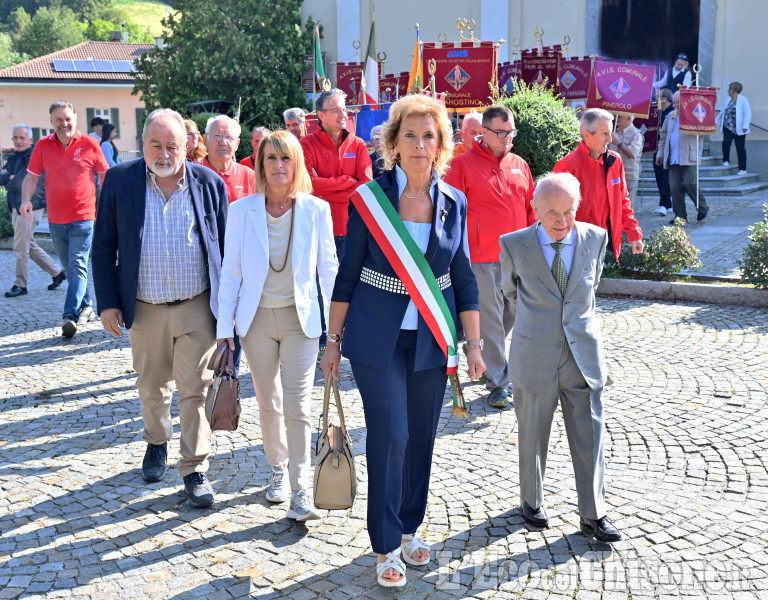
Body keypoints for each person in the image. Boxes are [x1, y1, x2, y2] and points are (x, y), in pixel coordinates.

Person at [320, 94, 485, 588]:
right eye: (409, 135)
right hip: (378, 341)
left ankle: (411, 527)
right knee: (390, 436)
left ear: (441, 145)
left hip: (432, 340)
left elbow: (465, 278)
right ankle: (386, 544)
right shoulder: (370, 200)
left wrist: (474, 345)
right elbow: (346, 277)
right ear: (393, 143)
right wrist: (332, 340)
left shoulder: (453, 203)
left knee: (420, 439)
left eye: (428, 136)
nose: (419, 144)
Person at [92, 108, 228, 508]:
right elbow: (103, 247)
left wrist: (231, 308)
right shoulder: (120, 181)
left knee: (196, 388)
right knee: (152, 386)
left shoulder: (209, 183)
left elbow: (225, 249)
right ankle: (156, 443)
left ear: (187, 145)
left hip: (197, 305)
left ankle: (195, 466)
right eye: (156, 144)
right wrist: (108, 304)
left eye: (173, 145)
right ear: (143, 143)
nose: (164, 153)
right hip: (144, 305)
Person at [217, 130, 337, 521]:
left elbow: (328, 272)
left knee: (298, 405)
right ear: (261, 164)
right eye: (271, 158)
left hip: (302, 322)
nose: (279, 166)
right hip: (255, 323)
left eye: (286, 158)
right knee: (268, 401)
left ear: (296, 164)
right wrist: (225, 329)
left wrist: (335, 331)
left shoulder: (317, 211)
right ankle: (277, 470)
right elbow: (230, 274)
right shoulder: (241, 211)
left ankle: (302, 488)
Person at [499, 171, 622, 544]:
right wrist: (541, 326)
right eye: (551, 212)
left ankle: (594, 514)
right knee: (532, 432)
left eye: (568, 212)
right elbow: (510, 292)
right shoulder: (513, 244)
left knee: (590, 435)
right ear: (534, 208)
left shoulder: (595, 239)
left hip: (582, 355)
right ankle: (531, 501)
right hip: (533, 351)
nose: (560, 221)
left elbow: (591, 289)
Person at [444, 105, 534, 409]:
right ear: (483, 132)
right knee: (493, 319)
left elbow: (531, 208)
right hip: (480, 256)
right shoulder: (462, 165)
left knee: (512, 314)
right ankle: (498, 382)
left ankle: (482, 355)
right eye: (501, 132)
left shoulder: (519, 164)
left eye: (511, 132)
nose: (507, 137)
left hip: (517, 255)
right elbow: (451, 212)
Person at [21, 101, 109, 338]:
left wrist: (107, 206)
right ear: (51, 122)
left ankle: (69, 315)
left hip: (84, 216)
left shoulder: (90, 144)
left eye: (68, 119)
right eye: (59, 120)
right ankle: (87, 306)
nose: (64, 124)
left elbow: (105, 174)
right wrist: (26, 200)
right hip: (56, 219)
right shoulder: (42, 146)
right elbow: (32, 177)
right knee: (71, 268)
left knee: (78, 263)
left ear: (75, 119)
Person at [301, 89, 372, 351]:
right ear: (320, 115)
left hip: (351, 226)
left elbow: (364, 186)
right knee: (320, 284)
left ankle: (350, 333)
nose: (343, 114)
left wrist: (329, 186)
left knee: (352, 280)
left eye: (345, 109)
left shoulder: (359, 144)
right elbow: (308, 185)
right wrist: (345, 181)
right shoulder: (306, 145)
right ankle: (323, 337)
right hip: (319, 228)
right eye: (336, 110)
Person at [554, 108, 644, 262]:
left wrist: (634, 234)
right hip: (575, 246)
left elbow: (623, 202)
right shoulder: (566, 166)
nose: (610, 139)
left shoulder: (615, 161)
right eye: (605, 134)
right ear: (587, 135)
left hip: (603, 242)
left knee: (593, 286)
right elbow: (554, 211)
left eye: (611, 133)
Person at [1, 123, 64, 297]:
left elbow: (19, 183)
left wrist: (8, 176)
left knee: (20, 247)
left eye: (22, 138)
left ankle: (20, 285)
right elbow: (3, 178)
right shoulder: (14, 157)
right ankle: (58, 273)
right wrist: (8, 176)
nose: (19, 141)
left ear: (30, 139)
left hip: (30, 206)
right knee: (28, 243)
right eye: (15, 137)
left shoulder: (33, 156)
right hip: (15, 205)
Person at [656, 91, 709, 224]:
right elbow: (663, 138)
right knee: (674, 187)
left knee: (688, 182)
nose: (675, 105)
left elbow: (703, 131)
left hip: (689, 156)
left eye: (678, 103)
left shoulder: (694, 115)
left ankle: (702, 207)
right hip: (673, 157)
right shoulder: (670, 116)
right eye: (674, 103)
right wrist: (660, 154)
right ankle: (680, 216)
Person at [203, 115, 255, 204]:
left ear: (237, 144)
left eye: (229, 137)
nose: (223, 143)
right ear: (205, 140)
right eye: (217, 136)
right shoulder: (193, 174)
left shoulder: (248, 176)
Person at [718, 81, 751, 175]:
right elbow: (723, 111)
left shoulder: (743, 100)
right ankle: (726, 160)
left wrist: (745, 125)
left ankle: (743, 169)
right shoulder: (727, 99)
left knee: (740, 148)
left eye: (729, 89)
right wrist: (718, 120)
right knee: (726, 143)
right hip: (727, 126)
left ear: (734, 90)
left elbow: (748, 113)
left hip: (739, 128)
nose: (728, 90)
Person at [608, 115, 643, 204]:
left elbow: (632, 154)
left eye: (620, 116)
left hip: (629, 173)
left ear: (628, 118)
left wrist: (618, 143)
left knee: (627, 205)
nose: (617, 119)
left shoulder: (636, 134)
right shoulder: (615, 132)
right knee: (614, 204)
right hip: (614, 173)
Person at [652, 88, 675, 215]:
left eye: (658, 96)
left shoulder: (673, 112)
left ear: (665, 99)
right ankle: (668, 203)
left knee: (666, 177)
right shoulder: (658, 112)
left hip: (669, 149)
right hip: (658, 147)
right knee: (659, 175)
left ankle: (663, 205)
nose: (656, 99)